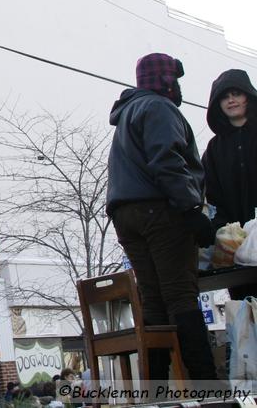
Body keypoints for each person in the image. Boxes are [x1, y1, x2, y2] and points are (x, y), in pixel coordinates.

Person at [106, 53, 217, 383]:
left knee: (152, 299)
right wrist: (191, 209)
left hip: (126, 214)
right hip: (159, 210)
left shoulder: (128, 112)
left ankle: (156, 392)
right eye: (176, 79)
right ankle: (209, 390)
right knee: (181, 295)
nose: (179, 87)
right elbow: (166, 161)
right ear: (166, 80)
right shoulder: (158, 108)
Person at [203, 69, 257, 298]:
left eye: (237, 94)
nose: (231, 100)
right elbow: (212, 196)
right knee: (247, 306)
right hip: (237, 246)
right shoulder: (214, 149)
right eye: (225, 97)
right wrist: (222, 230)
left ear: (248, 97)